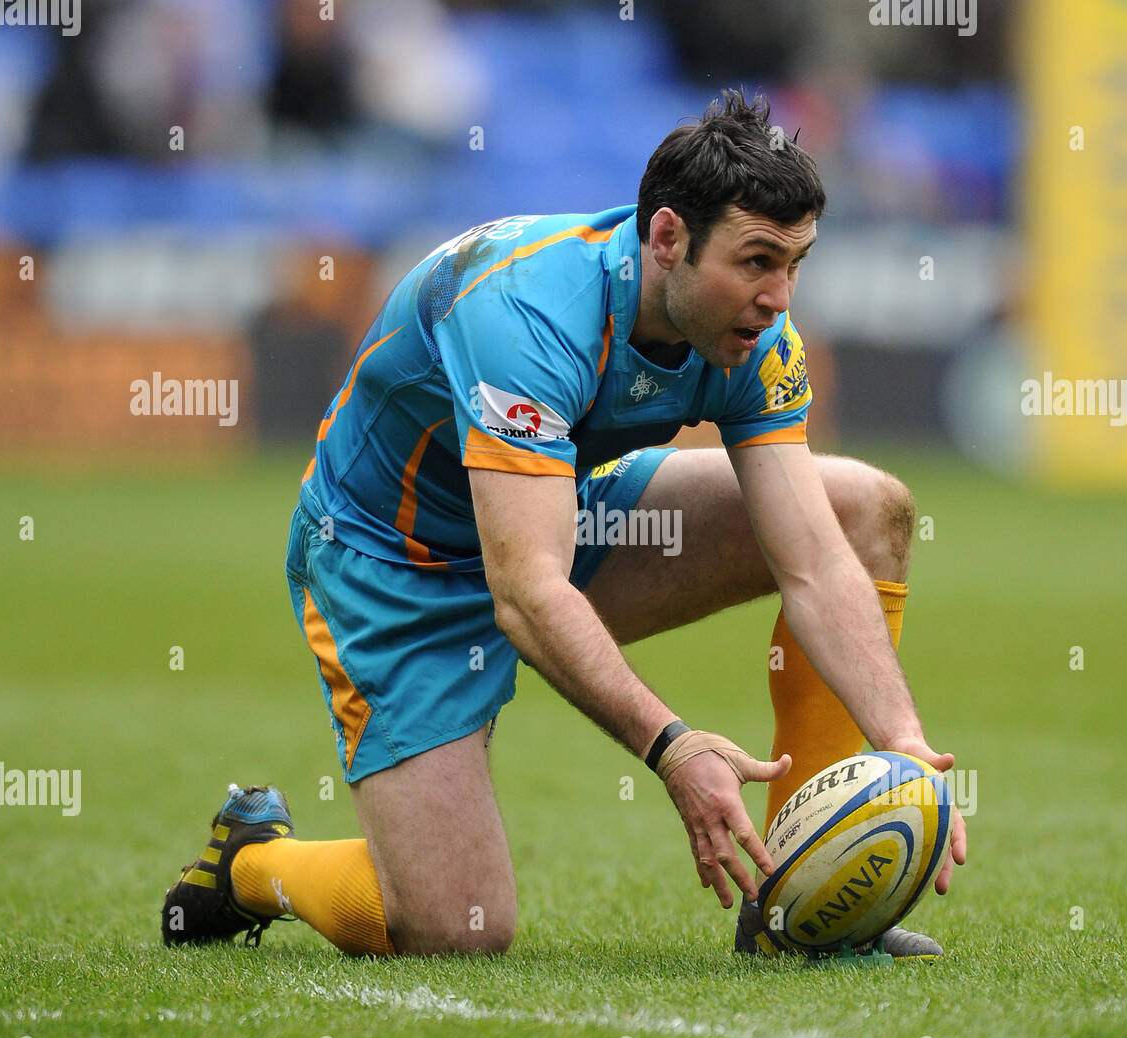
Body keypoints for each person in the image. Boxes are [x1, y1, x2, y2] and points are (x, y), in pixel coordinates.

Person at [161, 91, 966, 960]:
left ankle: (790, 916)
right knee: (456, 929)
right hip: (394, 563)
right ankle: (252, 863)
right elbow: (527, 592)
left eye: (795, 265)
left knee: (864, 510)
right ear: (667, 239)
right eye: (758, 260)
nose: (778, 298)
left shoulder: (755, 337)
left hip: (552, 514)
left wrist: (903, 744)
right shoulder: (527, 311)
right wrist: (674, 746)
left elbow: (813, 559)